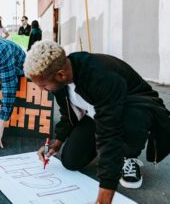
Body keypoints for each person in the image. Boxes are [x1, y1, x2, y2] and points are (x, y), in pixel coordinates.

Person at [23, 41, 170, 204]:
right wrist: (55, 144)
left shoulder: (100, 76)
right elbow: (68, 115)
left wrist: (104, 198)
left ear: (61, 74)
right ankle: (112, 157)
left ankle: (129, 157)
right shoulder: (59, 81)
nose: (43, 90)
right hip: (98, 113)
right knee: (71, 161)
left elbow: (110, 132)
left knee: (128, 126)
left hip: (131, 108)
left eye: (43, 85)